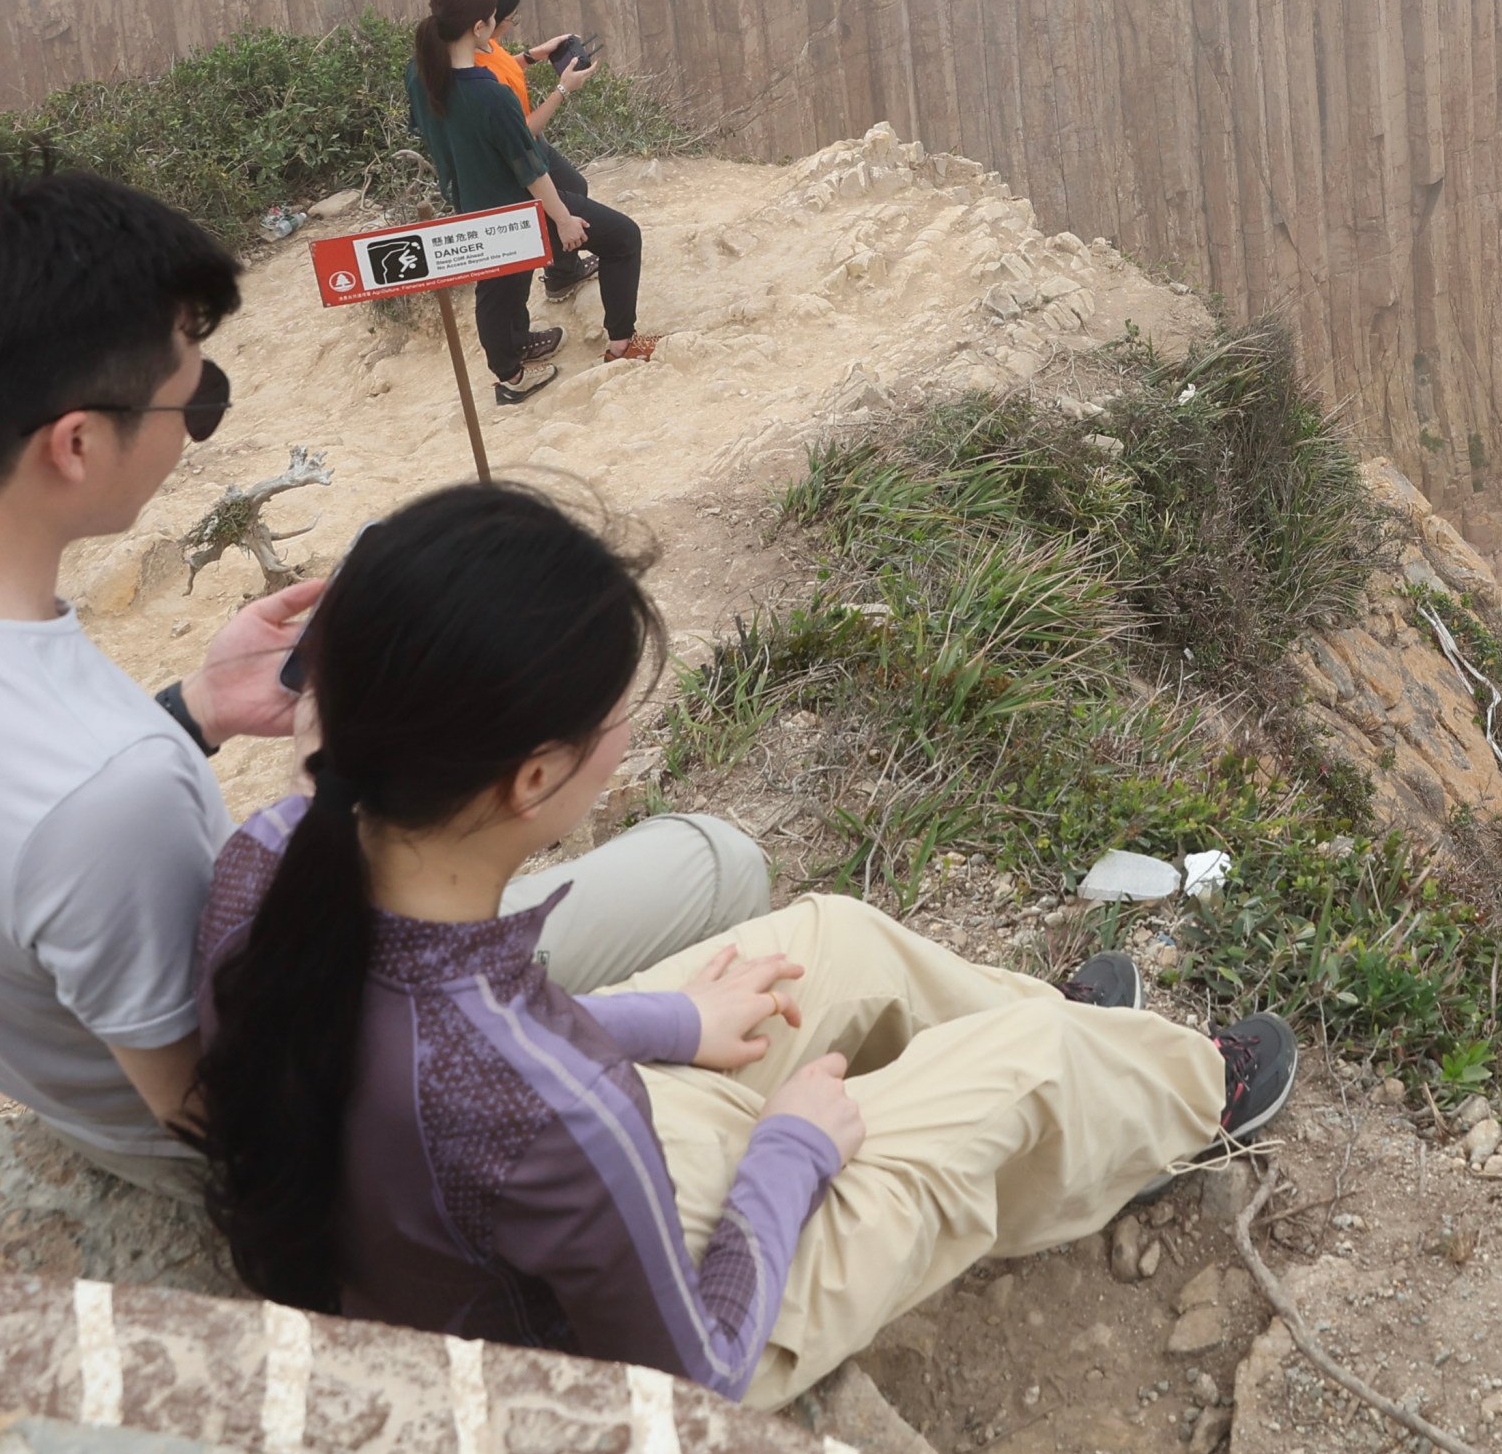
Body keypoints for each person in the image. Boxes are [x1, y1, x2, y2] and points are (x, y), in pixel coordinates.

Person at [0, 168, 769, 1192]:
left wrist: (194, 711)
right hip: (239, 1142)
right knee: (716, 861)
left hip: (60, 1075)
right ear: (78, 443)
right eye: (198, 400)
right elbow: (239, 1113)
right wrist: (336, 793)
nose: (196, 424)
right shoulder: (114, 796)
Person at [187, 485, 1294, 1402]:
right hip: (628, 1358)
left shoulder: (279, 859)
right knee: (1025, 1067)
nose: (628, 733)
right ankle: (1184, 1100)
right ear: (532, 777)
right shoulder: (548, 1102)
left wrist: (678, 1021)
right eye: (618, 711)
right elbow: (697, 1365)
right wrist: (792, 1148)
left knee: (833, 939)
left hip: (471, 1233)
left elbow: (480, 1030)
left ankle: (1093, 1067)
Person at [408, 0, 649, 399]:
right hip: (514, 208)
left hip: (471, 197)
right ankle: (620, 346)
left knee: (499, 285)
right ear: (479, 26)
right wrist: (563, 219)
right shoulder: (488, 95)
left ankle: (511, 367)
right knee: (623, 238)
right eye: (498, 20)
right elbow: (530, 168)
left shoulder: (421, 73)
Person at [463, 0, 602, 303]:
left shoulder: (483, 44)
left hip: (528, 143)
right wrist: (563, 89)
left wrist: (534, 54)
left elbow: (502, 65)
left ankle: (562, 271)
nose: (511, 24)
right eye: (510, 17)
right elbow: (521, 132)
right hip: (517, 149)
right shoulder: (471, 68)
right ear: (487, 20)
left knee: (574, 186)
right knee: (561, 201)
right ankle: (561, 276)